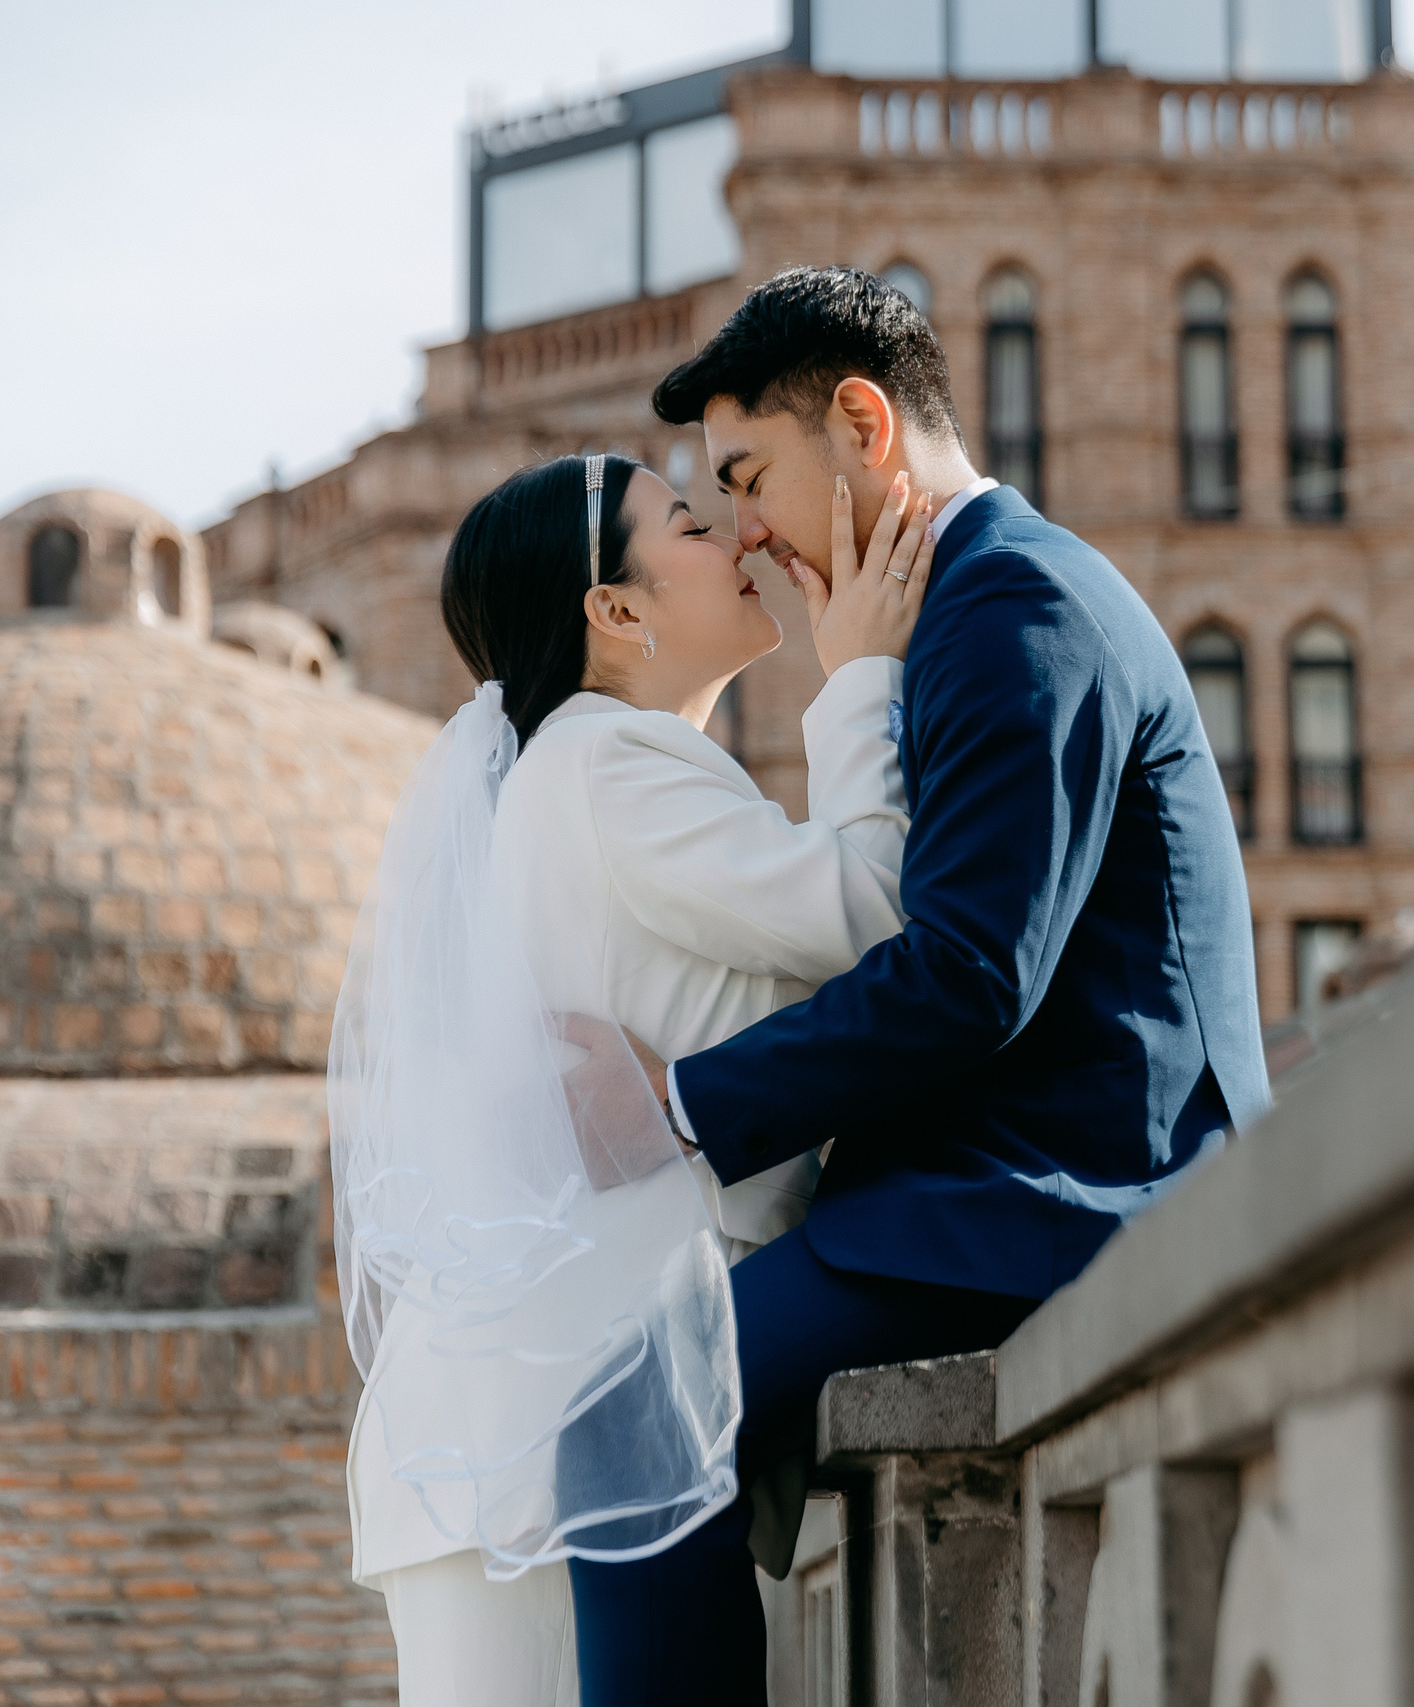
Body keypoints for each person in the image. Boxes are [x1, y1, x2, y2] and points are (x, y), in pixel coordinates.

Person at [564, 266, 1271, 1699]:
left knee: (631, 1416)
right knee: (633, 1399)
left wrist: (684, 1105)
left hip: (1065, 1192)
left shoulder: (1018, 604)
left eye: (751, 475)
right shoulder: (964, 606)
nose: (745, 531)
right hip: (989, 1183)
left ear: (864, 423)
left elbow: (964, 973)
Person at [331, 449, 938, 1705]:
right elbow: (879, 912)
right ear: (616, 610)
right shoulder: (609, 763)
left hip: (544, 1421)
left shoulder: (582, 769)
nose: (739, 539)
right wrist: (864, 671)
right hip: (565, 1433)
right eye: (689, 522)